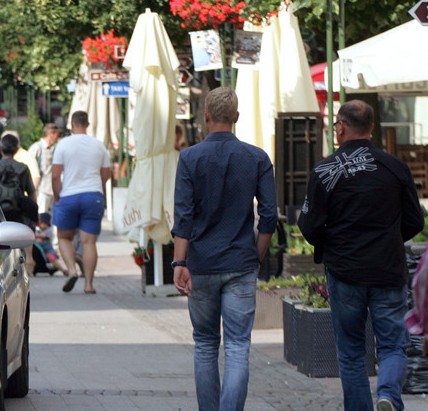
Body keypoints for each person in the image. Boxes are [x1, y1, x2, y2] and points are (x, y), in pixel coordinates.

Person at [298, 100, 424, 411]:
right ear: (371, 128)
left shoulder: (325, 170)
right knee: (394, 344)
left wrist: (332, 246)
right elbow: (415, 221)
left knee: (352, 352)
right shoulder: (396, 167)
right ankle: (389, 396)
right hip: (388, 269)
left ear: (340, 127)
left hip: (345, 271)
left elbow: (309, 224)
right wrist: (390, 240)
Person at [170, 87, 278, 411]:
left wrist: (179, 262)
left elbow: (183, 215)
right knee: (238, 346)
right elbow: (270, 214)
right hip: (241, 261)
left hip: (201, 262)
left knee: (204, 344)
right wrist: (256, 255)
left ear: (206, 117)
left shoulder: (189, 157)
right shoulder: (257, 157)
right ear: (237, 117)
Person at [51, 111, 111, 295]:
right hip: (93, 196)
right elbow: (106, 174)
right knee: (89, 243)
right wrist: (97, 189)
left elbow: (55, 175)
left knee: (63, 237)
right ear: (88, 123)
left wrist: (57, 195)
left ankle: (72, 270)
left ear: (72, 123)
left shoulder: (63, 144)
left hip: (69, 196)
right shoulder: (99, 146)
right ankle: (89, 285)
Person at [0, 133, 37, 225]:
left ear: (1, 148)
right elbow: (32, 194)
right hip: (18, 216)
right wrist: (34, 216)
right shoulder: (23, 168)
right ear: (17, 150)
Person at [26, 124, 61, 214]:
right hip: (42, 191)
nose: (58, 137)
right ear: (51, 134)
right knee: (41, 217)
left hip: (53, 191)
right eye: (57, 134)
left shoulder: (55, 149)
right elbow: (29, 168)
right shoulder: (37, 148)